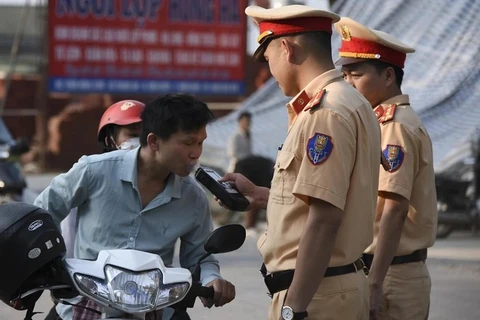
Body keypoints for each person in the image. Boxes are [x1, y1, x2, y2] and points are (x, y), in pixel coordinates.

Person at [218, 4, 381, 320]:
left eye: (269, 60)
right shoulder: (348, 101)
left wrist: (294, 309)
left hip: (317, 295)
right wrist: (260, 196)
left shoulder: (324, 112)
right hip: (329, 288)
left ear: (286, 48)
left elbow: (324, 219)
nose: (271, 73)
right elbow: (319, 201)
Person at [35, 93, 235, 320]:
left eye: (200, 143)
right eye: (188, 142)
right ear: (154, 142)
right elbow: (41, 214)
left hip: (155, 307)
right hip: (84, 302)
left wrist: (211, 279)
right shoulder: (93, 171)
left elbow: (200, 257)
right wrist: (47, 264)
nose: (196, 153)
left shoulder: (194, 198)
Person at [335, 17, 437, 320]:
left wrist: (375, 282)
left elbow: (394, 208)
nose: (349, 83)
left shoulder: (395, 127)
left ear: (389, 75)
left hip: (392, 273)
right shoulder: (379, 123)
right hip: (384, 267)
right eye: (345, 75)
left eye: (357, 74)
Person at [60, 99, 145, 260]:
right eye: (132, 135)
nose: (138, 143)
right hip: (90, 277)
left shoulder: (163, 180)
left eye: (143, 137)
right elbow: (67, 230)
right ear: (109, 140)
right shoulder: (91, 174)